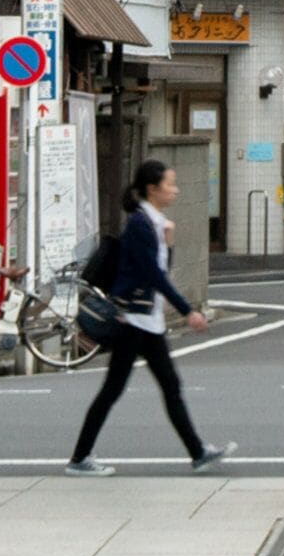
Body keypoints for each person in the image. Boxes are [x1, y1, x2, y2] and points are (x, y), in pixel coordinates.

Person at [64, 158, 227, 477]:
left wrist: (168, 242)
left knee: (168, 385)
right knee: (115, 391)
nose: (175, 190)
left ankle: (197, 452)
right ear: (153, 189)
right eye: (170, 184)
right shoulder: (140, 224)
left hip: (146, 322)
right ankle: (80, 458)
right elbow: (154, 275)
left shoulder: (154, 222)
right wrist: (187, 311)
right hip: (132, 322)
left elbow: (159, 269)